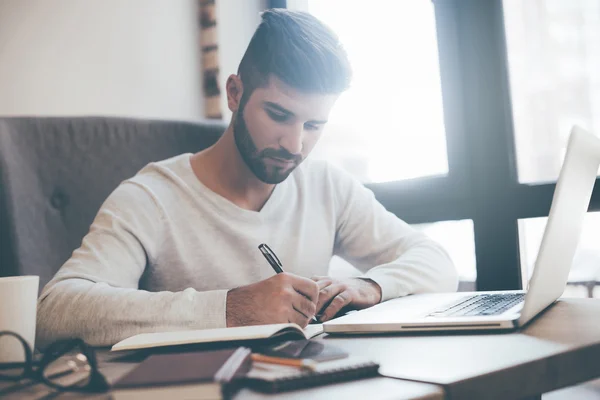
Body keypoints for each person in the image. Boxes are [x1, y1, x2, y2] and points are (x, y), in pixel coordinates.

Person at [36, 9, 458, 348]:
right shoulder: (150, 197)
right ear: (234, 93)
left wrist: (371, 285)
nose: (294, 144)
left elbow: (436, 263)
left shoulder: (326, 186)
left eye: (314, 125)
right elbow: (55, 311)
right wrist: (230, 310)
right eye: (279, 115)